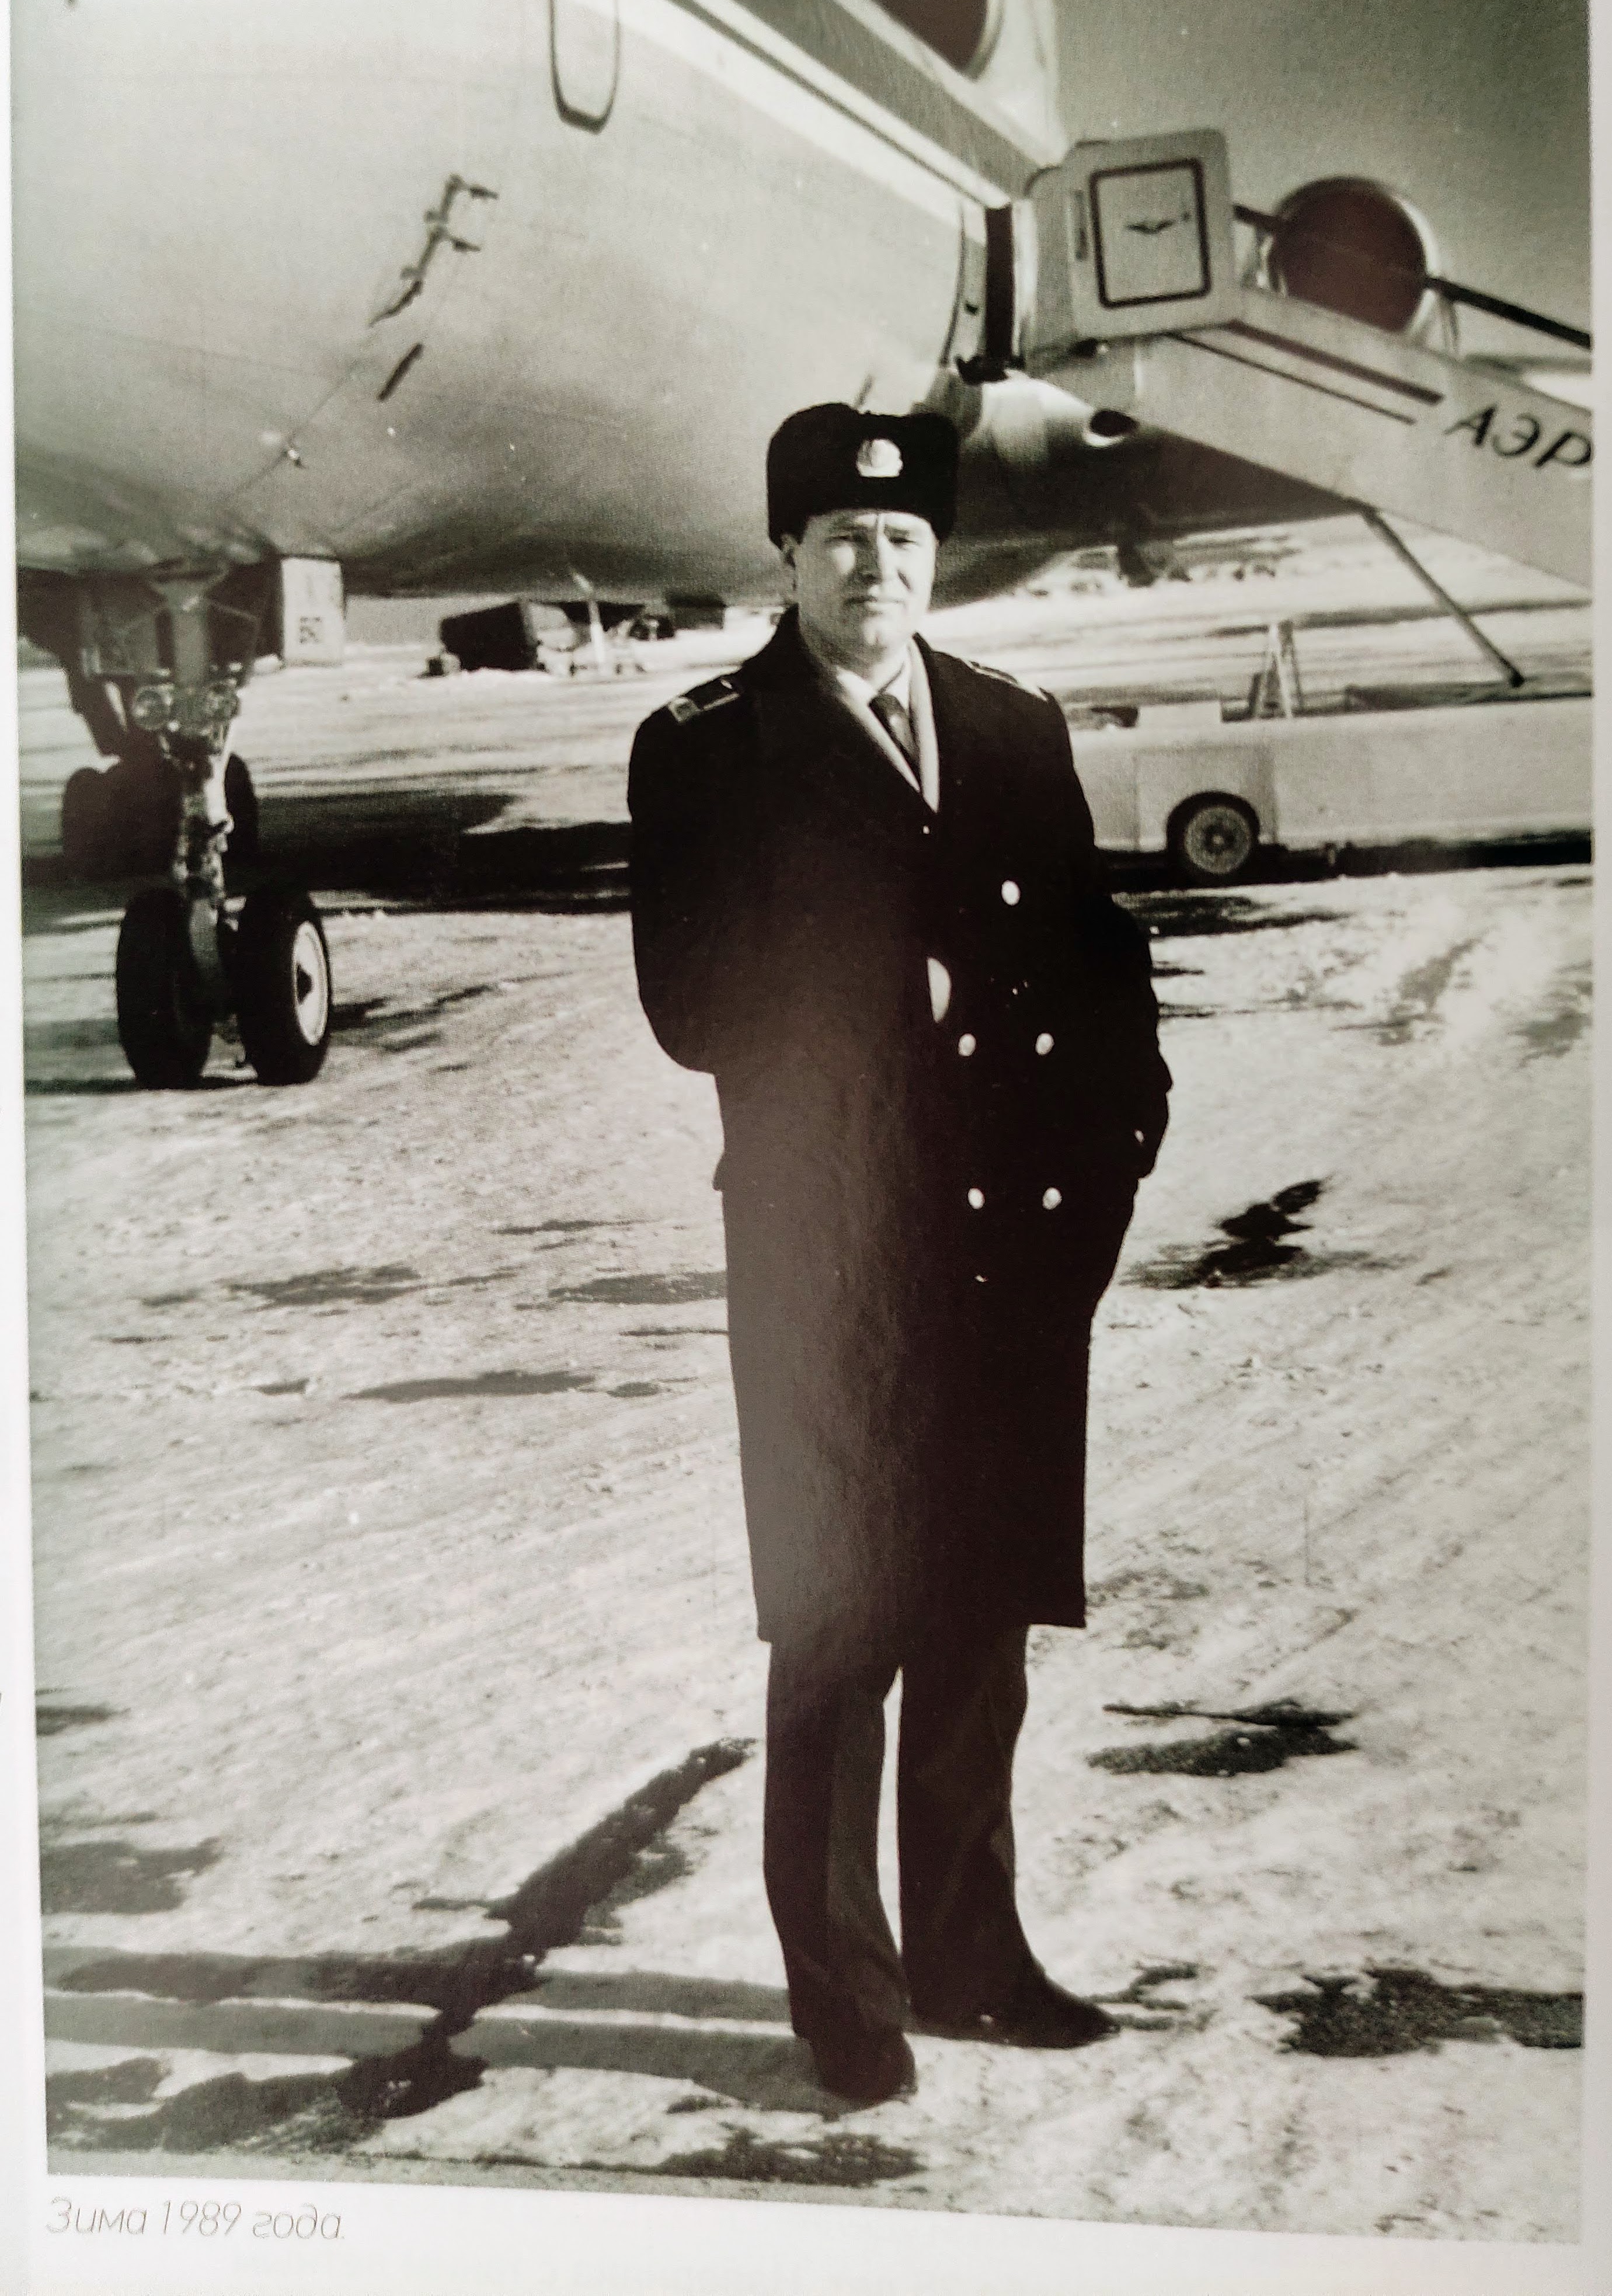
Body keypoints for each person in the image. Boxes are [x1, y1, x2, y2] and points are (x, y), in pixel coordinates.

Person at [628, 403, 1169, 2107]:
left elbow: (1093, 954)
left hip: (1009, 1244)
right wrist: (896, 973)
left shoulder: (1010, 723)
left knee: (982, 1622)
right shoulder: (707, 745)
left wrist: (1122, 1133)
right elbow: (690, 1005)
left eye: (906, 540)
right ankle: (844, 1999)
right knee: (840, 1625)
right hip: (832, 1256)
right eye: (844, 539)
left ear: (938, 558)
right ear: (787, 556)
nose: (877, 565)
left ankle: (971, 1961)